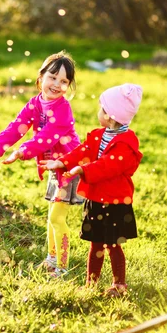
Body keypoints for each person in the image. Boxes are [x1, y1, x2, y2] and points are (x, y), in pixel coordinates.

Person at [0, 51, 83, 278]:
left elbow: (46, 138)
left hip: (68, 168)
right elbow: (16, 128)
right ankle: (52, 260)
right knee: (52, 216)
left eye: (64, 82)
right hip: (54, 169)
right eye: (52, 77)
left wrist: (21, 153)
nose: (57, 85)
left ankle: (61, 267)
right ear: (40, 77)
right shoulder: (35, 104)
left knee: (56, 218)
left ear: (68, 86)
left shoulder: (63, 109)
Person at [39, 83, 143, 296]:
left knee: (113, 245)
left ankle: (119, 285)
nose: (99, 112)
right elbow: (81, 151)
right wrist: (63, 162)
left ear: (111, 115)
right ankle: (91, 284)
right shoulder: (98, 135)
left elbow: (108, 165)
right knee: (95, 244)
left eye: (102, 108)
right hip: (96, 199)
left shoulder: (126, 143)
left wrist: (82, 170)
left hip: (115, 203)